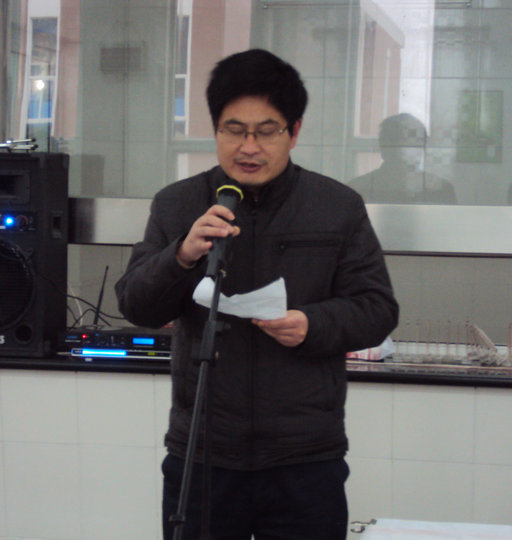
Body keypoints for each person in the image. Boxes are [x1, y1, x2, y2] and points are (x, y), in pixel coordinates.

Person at [115, 49, 399, 540]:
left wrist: (313, 325)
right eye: (234, 130)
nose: (248, 147)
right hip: (204, 454)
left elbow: (377, 309)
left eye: (266, 131)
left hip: (304, 458)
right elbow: (136, 305)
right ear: (216, 130)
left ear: (294, 131)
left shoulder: (337, 206)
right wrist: (181, 254)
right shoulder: (178, 203)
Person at [349, 112, 457, 204]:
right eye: (401, 140)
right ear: (383, 146)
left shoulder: (441, 190)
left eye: (417, 141)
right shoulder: (358, 189)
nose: (408, 148)